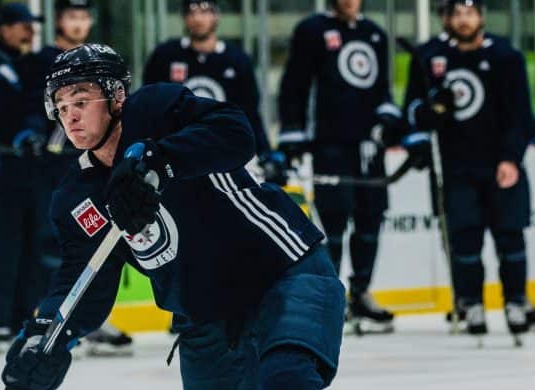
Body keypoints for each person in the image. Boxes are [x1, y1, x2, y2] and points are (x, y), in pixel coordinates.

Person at [1, 44, 359, 390]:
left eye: (81, 100)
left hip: (280, 269)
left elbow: (236, 132)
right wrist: (46, 337)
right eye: (61, 105)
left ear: (116, 97)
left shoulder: (159, 109)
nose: (70, 116)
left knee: (287, 381)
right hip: (205, 310)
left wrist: (158, 159)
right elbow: (82, 284)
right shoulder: (76, 197)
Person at [407, 0, 535, 331]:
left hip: (500, 165)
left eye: (470, 13)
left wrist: (511, 158)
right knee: (464, 240)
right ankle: (470, 302)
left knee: (510, 236)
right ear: (447, 19)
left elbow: (519, 115)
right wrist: (433, 111)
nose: (464, 20)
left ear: (481, 17)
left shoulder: (506, 57)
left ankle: (516, 300)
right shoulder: (429, 57)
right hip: (456, 167)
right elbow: (413, 111)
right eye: (457, 14)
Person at [278, 0, 406, 334]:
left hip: (370, 148)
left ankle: (361, 292)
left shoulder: (374, 34)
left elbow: (382, 89)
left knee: (370, 218)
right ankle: (330, 296)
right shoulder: (313, 30)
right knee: (333, 222)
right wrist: (292, 133)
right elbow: (295, 85)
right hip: (330, 145)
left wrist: (388, 119)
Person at [27, 0, 135, 356]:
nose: (78, 22)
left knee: (108, 242)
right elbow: (27, 109)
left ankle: (90, 319)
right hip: (56, 169)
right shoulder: (45, 61)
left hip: (100, 162)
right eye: (71, 16)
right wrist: (30, 135)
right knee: (62, 245)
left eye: (83, 16)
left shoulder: (97, 62)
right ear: (59, 20)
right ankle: (56, 319)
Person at [0, 3, 52, 353]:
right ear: (4, 29)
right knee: (1, 250)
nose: (30, 31)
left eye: (32, 25)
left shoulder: (35, 65)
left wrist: (35, 131)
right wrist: (17, 134)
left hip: (32, 173)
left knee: (34, 250)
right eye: (23, 25)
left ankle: (22, 318)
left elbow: (40, 105)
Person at [142, 1, 281, 183]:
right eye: (192, 11)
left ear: (216, 15)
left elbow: (250, 113)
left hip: (225, 151)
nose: (198, 18)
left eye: (204, 11)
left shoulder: (237, 60)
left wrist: (265, 153)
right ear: (184, 17)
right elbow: (149, 108)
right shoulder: (165, 56)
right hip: (177, 152)